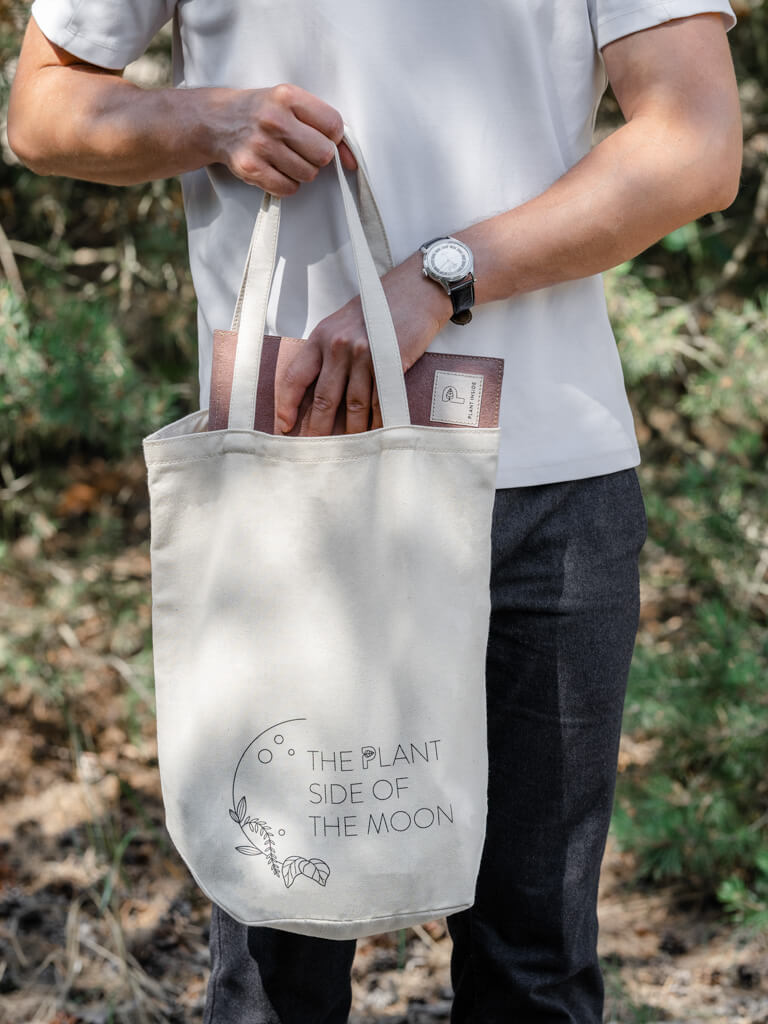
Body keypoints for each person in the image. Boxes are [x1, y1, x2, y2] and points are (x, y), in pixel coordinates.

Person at [8, 3, 741, 1022]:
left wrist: (440, 278)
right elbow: (42, 107)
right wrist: (211, 120)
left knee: (533, 965)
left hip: (550, 489)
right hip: (293, 480)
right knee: (275, 963)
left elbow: (697, 143)